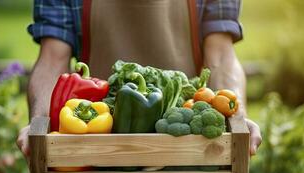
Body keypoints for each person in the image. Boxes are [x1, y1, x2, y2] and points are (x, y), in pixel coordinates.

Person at [17, 0, 262, 156]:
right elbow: (52, 58)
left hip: (189, 143)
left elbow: (220, 53)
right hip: (95, 146)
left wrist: (238, 117)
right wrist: (39, 123)